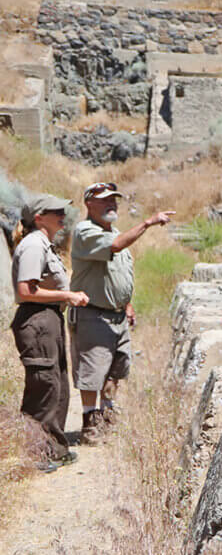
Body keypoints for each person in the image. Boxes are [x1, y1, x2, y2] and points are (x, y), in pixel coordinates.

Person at [69, 182, 175, 445]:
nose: (112, 204)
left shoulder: (115, 232)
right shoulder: (86, 232)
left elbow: (120, 273)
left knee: (117, 369)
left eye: (114, 200)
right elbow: (115, 246)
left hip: (116, 316)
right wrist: (148, 223)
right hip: (93, 315)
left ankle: (106, 415)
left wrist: (126, 303)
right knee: (92, 372)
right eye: (105, 200)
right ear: (89, 204)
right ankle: (89, 423)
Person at [10, 195, 89, 471]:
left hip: (47, 319)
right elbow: (25, 291)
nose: (62, 214)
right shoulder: (33, 245)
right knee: (44, 387)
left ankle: (53, 450)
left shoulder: (42, 244)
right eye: (56, 211)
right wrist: (66, 294)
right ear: (39, 218)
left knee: (56, 384)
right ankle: (35, 455)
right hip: (37, 319)